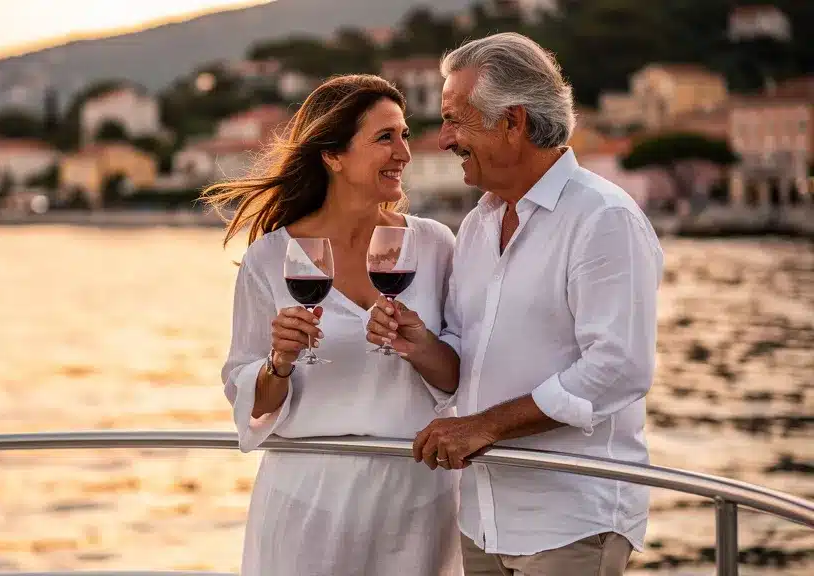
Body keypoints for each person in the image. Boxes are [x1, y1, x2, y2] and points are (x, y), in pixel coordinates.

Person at [365, 33, 664, 576]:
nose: (443, 139)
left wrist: (485, 427)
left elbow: (619, 368)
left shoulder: (603, 218)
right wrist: (421, 344)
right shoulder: (478, 225)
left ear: (513, 122)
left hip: (571, 522)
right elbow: (463, 361)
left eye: (456, 120)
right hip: (482, 519)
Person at [202, 74, 463, 576]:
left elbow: (456, 378)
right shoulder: (269, 258)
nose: (404, 153)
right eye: (385, 137)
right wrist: (278, 363)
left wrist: (418, 343)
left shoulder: (435, 245)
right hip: (308, 501)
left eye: (405, 135)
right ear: (333, 155)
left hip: (416, 502)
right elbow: (250, 401)